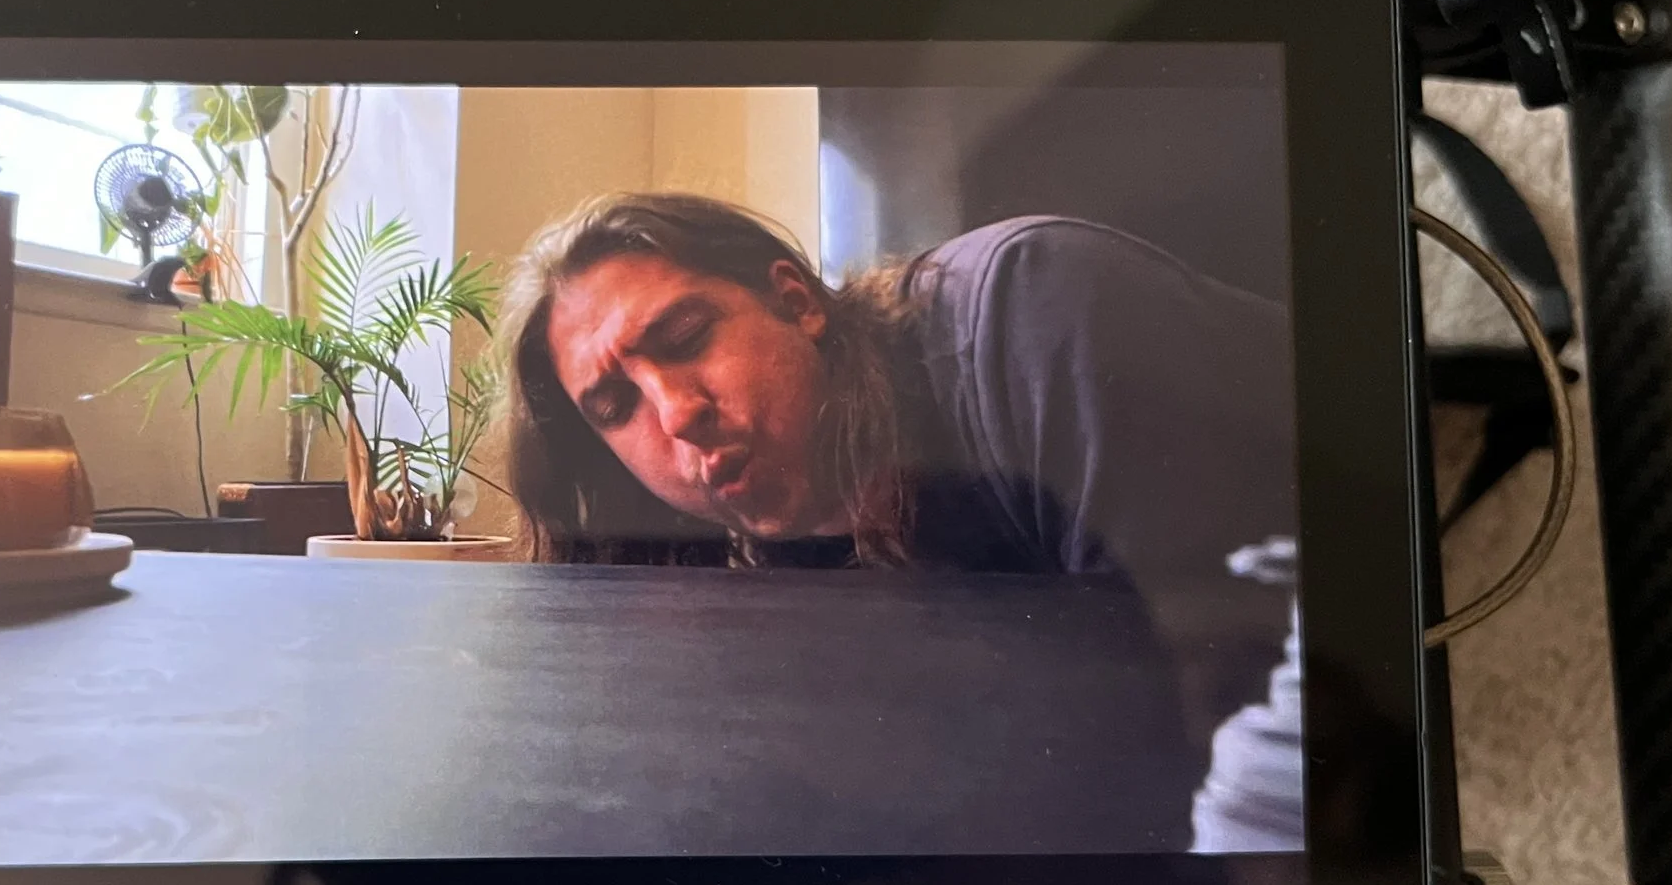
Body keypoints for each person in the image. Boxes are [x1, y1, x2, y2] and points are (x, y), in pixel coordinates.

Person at [502, 191, 1300, 771]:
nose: (675, 413)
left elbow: (1248, 727)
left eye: (686, 336)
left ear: (797, 301)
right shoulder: (737, 565)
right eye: (615, 406)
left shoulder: (1026, 311)